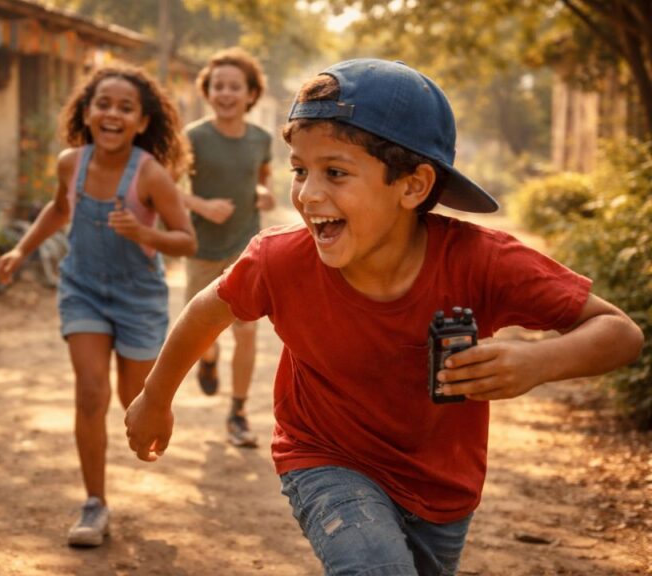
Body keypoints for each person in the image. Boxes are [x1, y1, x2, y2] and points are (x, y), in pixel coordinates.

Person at [124, 59, 644, 575]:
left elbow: (619, 334)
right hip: (323, 457)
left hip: (441, 489)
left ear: (414, 186)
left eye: (335, 172)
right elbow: (204, 312)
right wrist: (155, 397)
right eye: (300, 170)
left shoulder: (482, 261)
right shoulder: (278, 260)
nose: (307, 194)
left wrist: (539, 362)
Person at [0, 66, 196, 547]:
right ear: (86, 113)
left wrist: (146, 233)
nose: (112, 113)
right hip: (82, 287)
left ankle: (153, 411)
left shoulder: (151, 175)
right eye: (103, 103)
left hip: (138, 297)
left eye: (126, 107)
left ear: (142, 123)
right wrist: (22, 250)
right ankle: (95, 503)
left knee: (137, 404)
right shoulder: (72, 163)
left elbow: (186, 241)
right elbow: (60, 209)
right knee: (90, 391)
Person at [183, 47, 275, 448]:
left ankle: (237, 413)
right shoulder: (194, 137)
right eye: (218, 85)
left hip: (245, 247)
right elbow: (167, 185)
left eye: (234, 86)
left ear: (251, 93)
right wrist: (202, 204)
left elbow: (262, 178)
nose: (226, 93)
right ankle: (208, 360)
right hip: (202, 248)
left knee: (247, 332)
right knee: (202, 332)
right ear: (208, 91)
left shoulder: (261, 139)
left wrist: (264, 193)